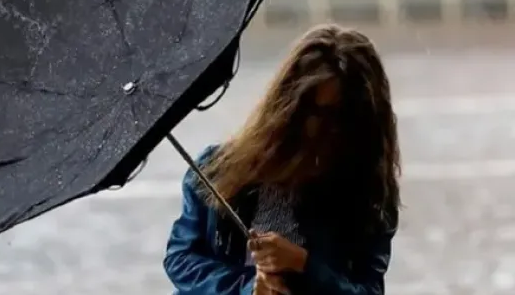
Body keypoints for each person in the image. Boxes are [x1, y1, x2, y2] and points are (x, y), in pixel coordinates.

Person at [163, 24, 401, 295]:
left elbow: (368, 290)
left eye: (343, 118)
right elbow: (181, 259)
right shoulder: (217, 170)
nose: (328, 130)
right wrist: (249, 288)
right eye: (318, 114)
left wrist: (304, 265)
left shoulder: (369, 196)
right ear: (290, 108)